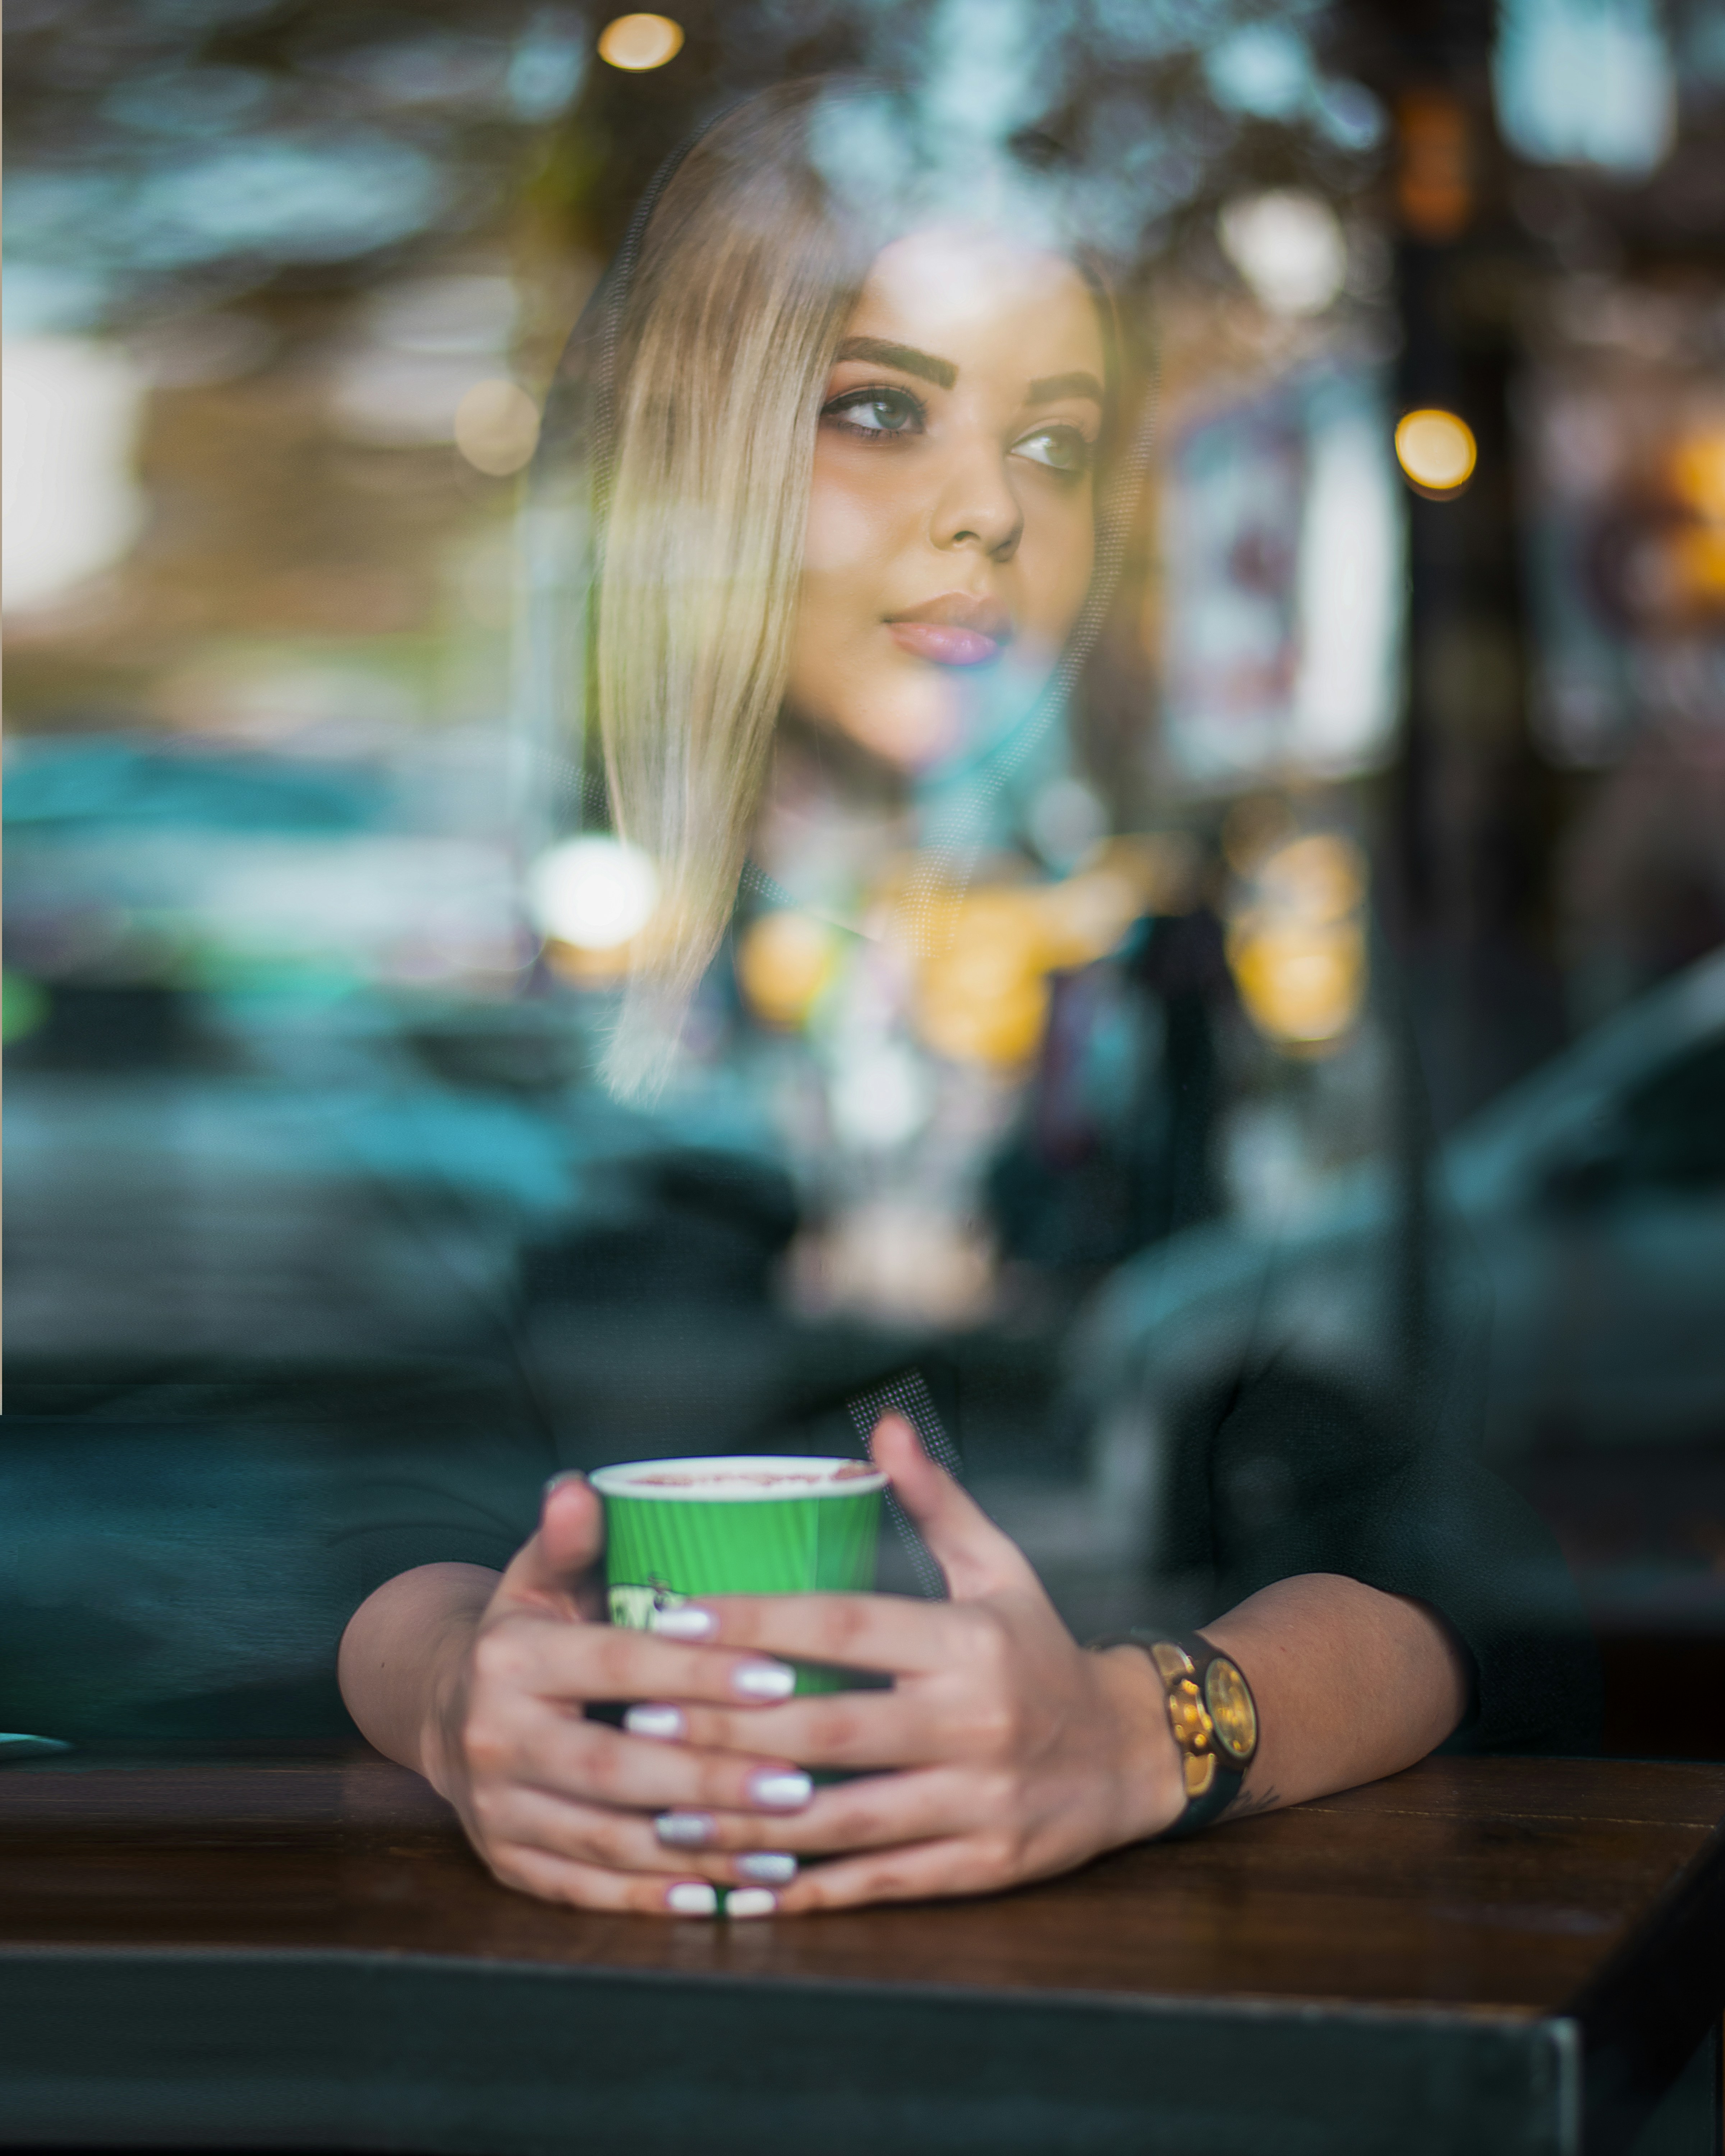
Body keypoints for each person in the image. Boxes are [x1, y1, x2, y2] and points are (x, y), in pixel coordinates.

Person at [339, 80, 1594, 1917]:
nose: (988, 511)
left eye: (1059, 444)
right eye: (877, 411)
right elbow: (345, 1531)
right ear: (707, 454)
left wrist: (1144, 1733)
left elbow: (1448, 1577)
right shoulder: (504, 1012)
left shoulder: (1198, 985)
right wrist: (466, 1707)